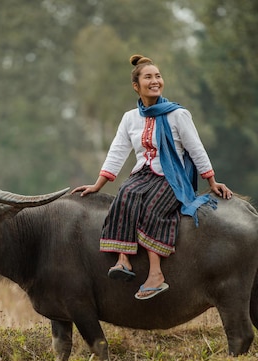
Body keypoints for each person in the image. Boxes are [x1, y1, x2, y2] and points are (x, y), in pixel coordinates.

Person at [72, 54, 233, 300]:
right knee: (124, 196)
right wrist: (98, 184)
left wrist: (211, 181)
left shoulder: (178, 115)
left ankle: (156, 275)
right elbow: (117, 152)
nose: (155, 81)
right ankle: (123, 261)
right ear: (136, 86)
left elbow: (196, 149)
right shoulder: (130, 118)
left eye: (158, 76)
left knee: (152, 207)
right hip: (142, 175)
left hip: (172, 177)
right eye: (148, 77)